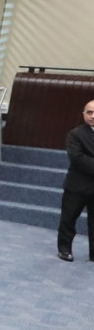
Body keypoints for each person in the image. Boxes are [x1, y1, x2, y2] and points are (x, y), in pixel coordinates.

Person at [57, 99, 94, 262]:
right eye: (89, 112)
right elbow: (77, 158)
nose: (93, 116)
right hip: (77, 186)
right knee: (69, 218)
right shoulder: (76, 134)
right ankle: (64, 249)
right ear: (83, 114)